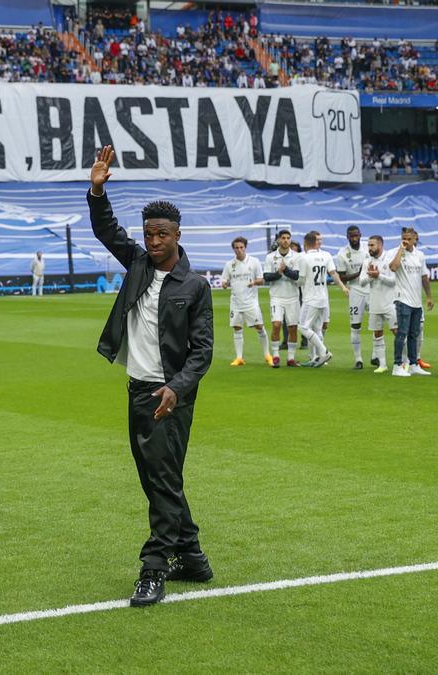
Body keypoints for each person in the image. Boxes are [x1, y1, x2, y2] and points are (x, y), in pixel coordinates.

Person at [87, 146, 214, 608]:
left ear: (178, 235)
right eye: (149, 234)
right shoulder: (138, 264)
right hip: (138, 390)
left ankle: (154, 568)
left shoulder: (195, 287)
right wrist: (98, 190)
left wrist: (175, 390)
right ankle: (193, 558)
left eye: (161, 233)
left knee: (161, 482)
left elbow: (202, 354)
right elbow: (106, 230)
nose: (154, 240)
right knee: (156, 479)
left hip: (170, 398)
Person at [297, 231, 348, 367]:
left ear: (306, 243)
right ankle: (317, 358)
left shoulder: (304, 258)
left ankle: (323, 352)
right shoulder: (326, 255)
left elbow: (301, 280)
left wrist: (294, 282)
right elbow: (333, 273)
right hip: (323, 298)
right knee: (317, 328)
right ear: (315, 242)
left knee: (302, 327)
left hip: (310, 298)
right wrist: (343, 287)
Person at [220, 237, 271, 367]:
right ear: (233, 249)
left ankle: (267, 354)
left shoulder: (254, 262)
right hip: (236, 302)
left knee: (259, 327)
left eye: (241, 247)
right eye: (236, 248)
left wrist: (254, 282)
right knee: (237, 328)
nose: (239, 250)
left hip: (251, 302)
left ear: (245, 248)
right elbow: (224, 281)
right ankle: (239, 358)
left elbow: (262, 279)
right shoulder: (229, 264)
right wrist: (225, 284)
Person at [390, 227, 433, 376]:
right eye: (404, 238)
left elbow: (424, 277)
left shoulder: (420, 255)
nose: (406, 241)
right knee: (402, 333)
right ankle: (397, 366)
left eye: (409, 239)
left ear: (415, 239)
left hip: (416, 301)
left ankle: (414, 364)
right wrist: (400, 250)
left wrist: (428, 297)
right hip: (402, 299)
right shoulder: (398, 253)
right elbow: (393, 267)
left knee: (414, 334)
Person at [359, 234, 397, 374]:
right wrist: (371, 276)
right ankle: (383, 364)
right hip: (374, 303)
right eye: (368, 245)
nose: (369, 248)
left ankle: (404, 362)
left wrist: (379, 275)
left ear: (380, 245)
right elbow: (361, 282)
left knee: (397, 332)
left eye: (372, 245)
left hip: (390, 303)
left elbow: (394, 281)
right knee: (377, 334)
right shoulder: (367, 261)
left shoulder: (389, 259)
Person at [263, 230, 301, 367]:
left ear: (290, 240)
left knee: (292, 327)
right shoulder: (270, 257)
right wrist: (279, 273)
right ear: (278, 240)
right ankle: (276, 355)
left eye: (288, 238)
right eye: (283, 238)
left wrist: (285, 270)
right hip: (276, 297)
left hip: (292, 297)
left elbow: (296, 276)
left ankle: (291, 358)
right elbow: (266, 277)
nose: (285, 240)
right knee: (276, 324)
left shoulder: (296, 257)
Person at [335, 225, 370, 369]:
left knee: (377, 323)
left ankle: (376, 357)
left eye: (356, 235)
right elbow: (342, 277)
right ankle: (358, 359)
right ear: (347, 237)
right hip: (355, 291)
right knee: (355, 326)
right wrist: (359, 273)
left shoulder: (368, 248)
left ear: (360, 235)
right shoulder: (342, 254)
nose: (355, 238)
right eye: (352, 236)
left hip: (372, 289)